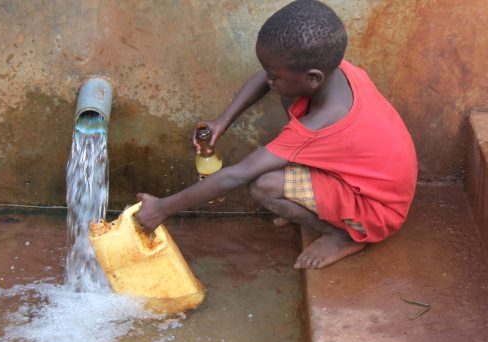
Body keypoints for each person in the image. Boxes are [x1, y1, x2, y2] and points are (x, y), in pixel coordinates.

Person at [135, 0, 417, 269]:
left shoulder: (320, 123)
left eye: (274, 74)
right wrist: (223, 121)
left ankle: (342, 236)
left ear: (313, 77)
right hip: (370, 180)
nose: (268, 79)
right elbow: (265, 78)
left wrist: (162, 208)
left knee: (264, 184)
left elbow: (237, 175)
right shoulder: (336, 70)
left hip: (377, 211)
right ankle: (321, 207)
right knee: (288, 97)